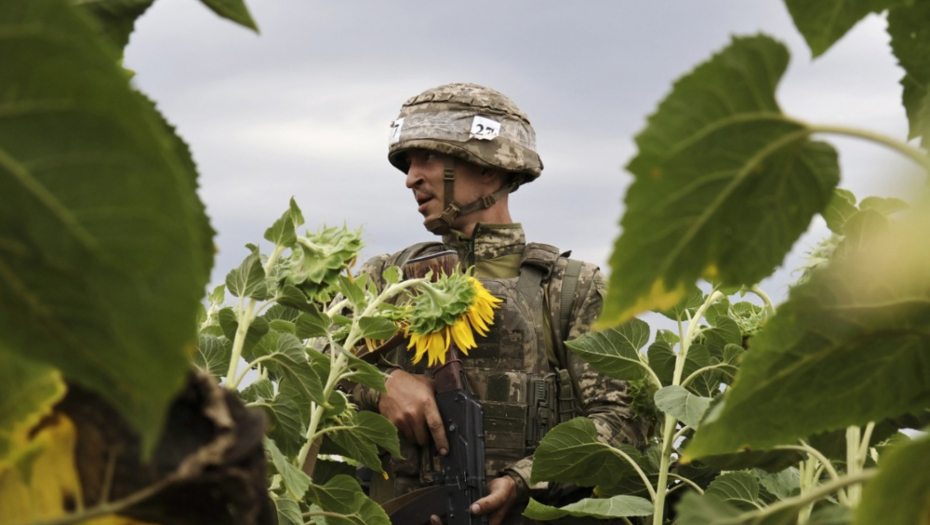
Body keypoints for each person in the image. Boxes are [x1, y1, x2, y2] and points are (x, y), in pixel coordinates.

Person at [351, 83, 649, 525]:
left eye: (428, 158)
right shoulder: (386, 279)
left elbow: (627, 422)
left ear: (488, 170)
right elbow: (313, 365)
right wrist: (381, 384)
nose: (411, 176)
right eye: (408, 163)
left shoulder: (570, 289)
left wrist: (524, 481)